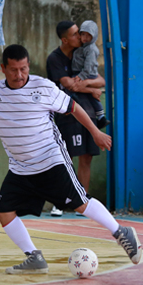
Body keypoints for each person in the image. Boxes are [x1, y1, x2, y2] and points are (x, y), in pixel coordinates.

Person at [0, 44, 142, 274]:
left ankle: (121, 232)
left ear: (28, 66)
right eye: (14, 70)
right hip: (21, 168)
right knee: (4, 210)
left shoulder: (44, 87)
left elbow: (73, 107)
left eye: (24, 69)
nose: (19, 75)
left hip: (51, 160)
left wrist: (96, 132)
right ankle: (34, 257)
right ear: (3, 68)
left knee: (80, 203)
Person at [46, 21, 106, 216]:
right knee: (66, 156)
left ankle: (83, 201)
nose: (80, 37)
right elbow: (70, 85)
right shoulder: (55, 59)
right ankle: (60, 201)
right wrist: (93, 89)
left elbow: (101, 80)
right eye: (75, 34)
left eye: (81, 33)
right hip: (68, 114)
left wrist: (90, 84)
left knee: (86, 157)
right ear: (65, 39)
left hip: (88, 112)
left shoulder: (86, 52)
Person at [72, 20, 109, 129]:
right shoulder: (83, 47)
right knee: (88, 95)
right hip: (83, 73)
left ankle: (101, 116)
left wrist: (82, 76)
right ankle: (100, 116)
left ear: (94, 36)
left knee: (92, 97)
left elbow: (88, 66)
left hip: (88, 74)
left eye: (89, 35)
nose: (85, 38)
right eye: (83, 34)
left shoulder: (91, 49)